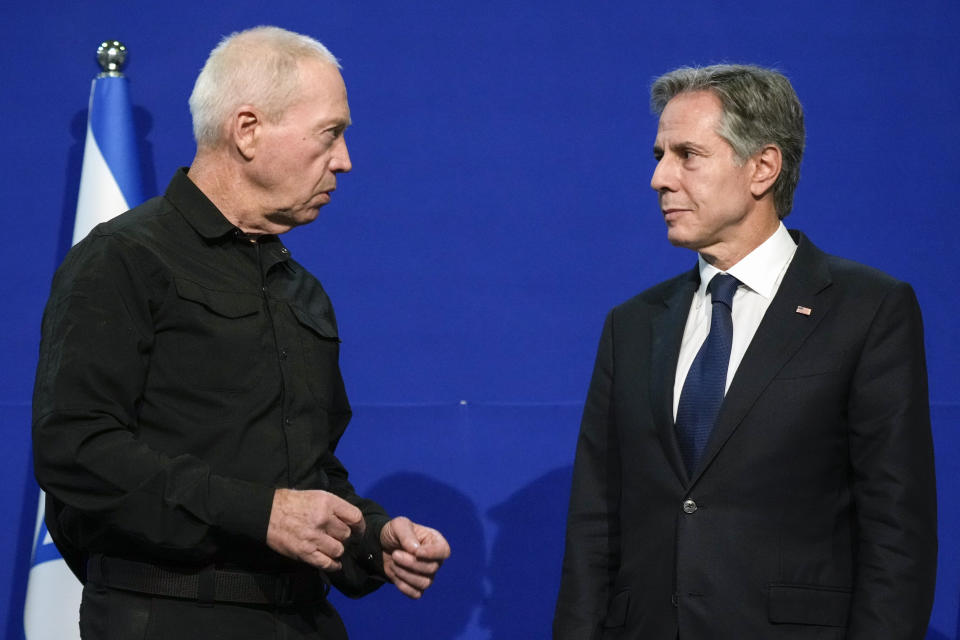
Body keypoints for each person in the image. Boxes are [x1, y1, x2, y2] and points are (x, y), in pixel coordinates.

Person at [33, 26, 449, 640]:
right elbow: (76, 449)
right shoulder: (122, 260)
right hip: (167, 615)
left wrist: (371, 539)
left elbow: (309, 472)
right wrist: (262, 514)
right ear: (248, 130)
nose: (345, 159)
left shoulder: (300, 289)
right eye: (330, 133)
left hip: (303, 617)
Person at [554, 64, 937, 639]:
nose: (660, 178)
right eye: (659, 154)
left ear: (762, 167)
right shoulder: (631, 326)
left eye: (687, 154)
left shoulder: (867, 310)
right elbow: (594, 523)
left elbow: (896, 532)